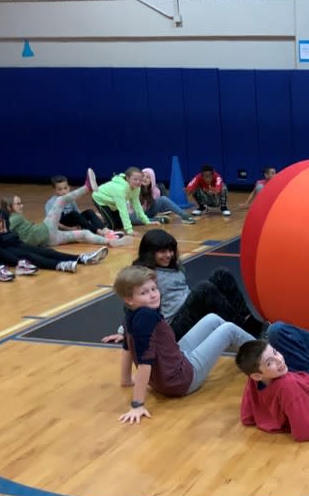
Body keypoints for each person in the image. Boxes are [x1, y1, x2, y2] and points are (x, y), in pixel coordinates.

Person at [113, 265, 254, 424]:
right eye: (144, 293)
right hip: (181, 381)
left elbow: (127, 348)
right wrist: (137, 404)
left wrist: (126, 379)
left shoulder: (131, 314)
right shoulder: (146, 318)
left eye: (153, 289)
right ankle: (265, 355)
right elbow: (145, 362)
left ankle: (256, 352)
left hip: (168, 373)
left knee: (213, 319)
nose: (153, 295)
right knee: (229, 330)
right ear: (129, 299)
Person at [102, 229, 263, 343]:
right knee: (204, 289)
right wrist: (124, 332)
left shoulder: (171, 266)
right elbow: (131, 305)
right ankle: (246, 334)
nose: (168, 255)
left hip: (189, 311)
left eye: (170, 250)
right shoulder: (144, 275)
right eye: (162, 252)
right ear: (149, 253)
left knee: (221, 274)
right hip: (173, 327)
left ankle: (253, 325)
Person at [235, 312, 309, 442]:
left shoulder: (255, 377)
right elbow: (306, 433)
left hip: (303, 375)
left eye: (275, 352)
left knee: (275, 330)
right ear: (257, 375)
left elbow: (247, 417)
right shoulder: (289, 387)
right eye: (269, 363)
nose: (279, 360)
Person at [0, 188, 85, 273]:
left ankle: (79, 258)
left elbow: (7, 230)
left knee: (44, 251)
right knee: (30, 256)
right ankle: (59, 265)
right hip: (2, 250)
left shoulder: (1, 213)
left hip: (14, 242)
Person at [6, 188, 119, 251]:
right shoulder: (13, 218)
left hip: (50, 240)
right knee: (60, 200)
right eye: (18, 204)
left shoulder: (15, 218)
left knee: (84, 233)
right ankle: (87, 187)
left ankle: (109, 241)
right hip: (48, 229)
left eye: (21, 203)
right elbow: (3, 232)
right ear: (8, 207)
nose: (21, 206)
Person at [92, 167, 149, 235]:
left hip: (113, 203)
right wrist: (129, 230)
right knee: (111, 226)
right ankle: (91, 223)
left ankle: (102, 218)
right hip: (100, 199)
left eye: (140, 180)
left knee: (120, 225)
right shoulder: (120, 189)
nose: (138, 182)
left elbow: (137, 205)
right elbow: (123, 210)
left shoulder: (137, 188)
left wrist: (146, 221)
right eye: (135, 179)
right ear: (128, 178)